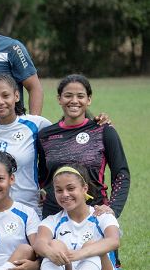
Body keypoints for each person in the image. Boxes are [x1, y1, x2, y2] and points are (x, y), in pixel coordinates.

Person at [34, 165, 123, 270]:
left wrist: (81, 253)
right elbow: (39, 243)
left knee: (92, 246)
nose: (65, 194)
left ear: (84, 189)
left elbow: (114, 241)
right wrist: (50, 252)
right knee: (53, 246)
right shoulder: (52, 220)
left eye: (71, 188)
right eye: (59, 190)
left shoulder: (102, 215)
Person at [37, 74, 130, 218]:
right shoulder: (45, 135)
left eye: (80, 96)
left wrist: (113, 209)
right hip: (54, 214)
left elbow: (121, 174)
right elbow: (43, 176)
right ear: (59, 99)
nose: (74, 101)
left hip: (94, 212)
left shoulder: (103, 130)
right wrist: (41, 193)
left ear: (88, 100)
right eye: (68, 95)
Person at [0, 74, 51, 213]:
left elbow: (65, 134)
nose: (0, 101)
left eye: (6, 96)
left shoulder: (36, 124)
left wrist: (98, 124)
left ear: (17, 96)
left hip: (28, 208)